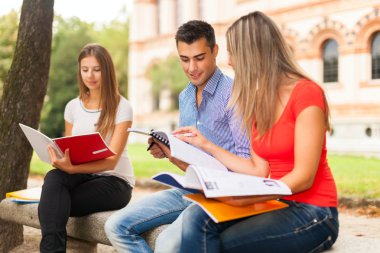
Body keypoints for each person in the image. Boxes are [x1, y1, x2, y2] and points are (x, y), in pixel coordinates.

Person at [174, 11, 339, 253]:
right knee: (196, 218)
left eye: (233, 52)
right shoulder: (258, 100)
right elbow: (257, 169)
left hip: (313, 211)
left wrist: (247, 198)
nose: (229, 61)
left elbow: (304, 176)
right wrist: (206, 145)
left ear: (252, 52)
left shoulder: (306, 93)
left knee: (226, 243)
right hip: (275, 202)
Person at [104, 20, 255, 253]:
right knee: (115, 226)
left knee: (167, 243)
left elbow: (248, 165)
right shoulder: (185, 97)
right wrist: (169, 152)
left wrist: (206, 148)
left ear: (215, 51)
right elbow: (190, 159)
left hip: (226, 195)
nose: (192, 68)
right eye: (184, 59)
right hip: (191, 189)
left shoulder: (235, 93)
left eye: (199, 58)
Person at [38, 43, 134, 253]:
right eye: (85, 69)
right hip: (82, 176)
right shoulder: (72, 107)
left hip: (115, 182)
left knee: (53, 202)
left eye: (97, 69)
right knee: (54, 178)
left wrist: (72, 169)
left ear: (107, 71)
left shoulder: (122, 107)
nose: (90, 75)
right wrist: (63, 162)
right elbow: (68, 148)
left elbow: (111, 161)